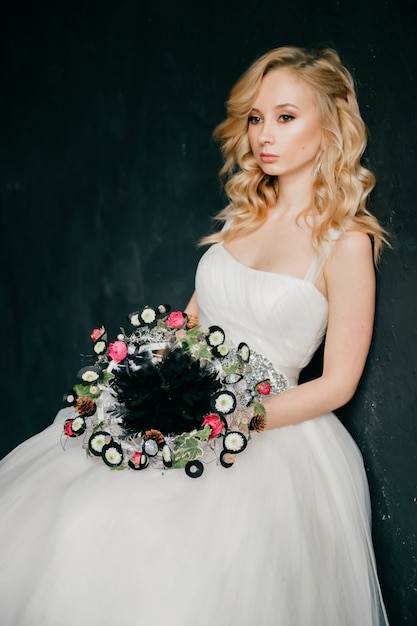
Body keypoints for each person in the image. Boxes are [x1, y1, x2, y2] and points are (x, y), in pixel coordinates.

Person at [0, 46, 389, 625]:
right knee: (68, 520)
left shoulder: (345, 242)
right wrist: (139, 380)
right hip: (184, 409)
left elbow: (337, 384)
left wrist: (234, 420)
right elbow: (188, 328)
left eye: (286, 116)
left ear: (330, 123)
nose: (264, 134)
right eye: (256, 118)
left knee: (175, 562)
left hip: (270, 432)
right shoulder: (242, 217)